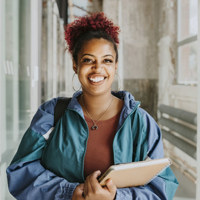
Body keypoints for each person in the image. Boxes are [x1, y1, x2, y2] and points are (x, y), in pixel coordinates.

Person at [7, 12, 178, 200]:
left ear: (115, 66)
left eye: (107, 60)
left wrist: (115, 198)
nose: (98, 69)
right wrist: (69, 192)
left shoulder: (141, 123)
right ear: (75, 64)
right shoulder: (51, 115)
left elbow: (162, 188)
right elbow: (20, 172)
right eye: (88, 60)